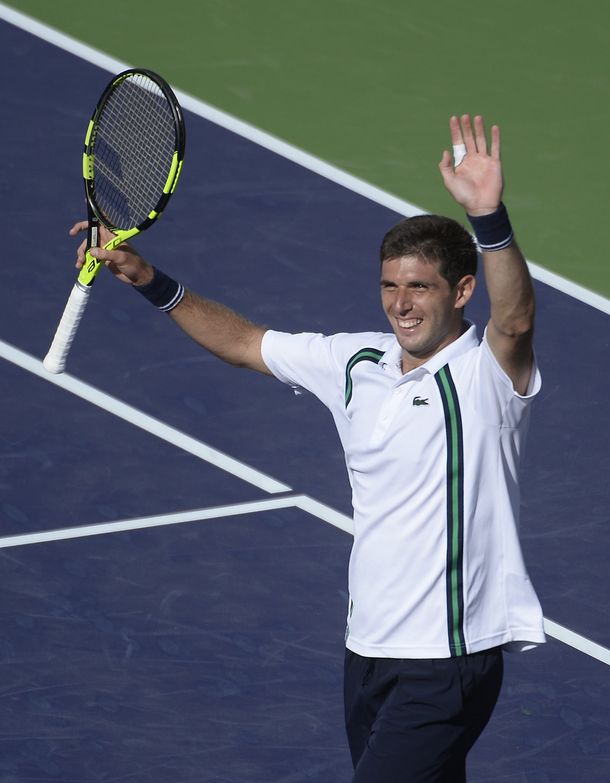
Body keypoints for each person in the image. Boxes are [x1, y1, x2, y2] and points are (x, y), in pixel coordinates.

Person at [72, 114, 545, 782]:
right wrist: (150, 279)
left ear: (463, 290)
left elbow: (515, 320)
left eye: (420, 286)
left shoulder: (486, 376)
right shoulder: (354, 361)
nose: (401, 304)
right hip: (367, 647)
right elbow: (245, 343)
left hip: (447, 656)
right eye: (390, 285)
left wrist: (489, 218)